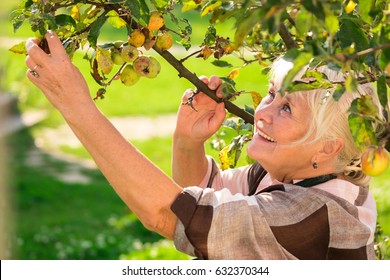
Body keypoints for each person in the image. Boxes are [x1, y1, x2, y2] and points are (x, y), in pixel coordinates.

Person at [25, 31, 380, 260]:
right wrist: (187, 143)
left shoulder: (314, 215)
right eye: (271, 95)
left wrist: (76, 105)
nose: (262, 114)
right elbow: (205, 197)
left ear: (326, 148)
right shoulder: (300, 174)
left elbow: (172, 215)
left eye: (286, 108)